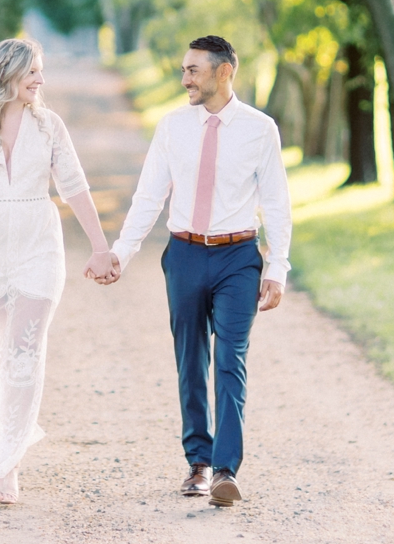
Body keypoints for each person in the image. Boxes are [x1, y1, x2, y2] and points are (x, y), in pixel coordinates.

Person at [93, 34, 291, 508]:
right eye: (184, 70)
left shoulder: (260, 129)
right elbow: (149, 195)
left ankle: (225, 470)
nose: (185, 78)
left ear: (224, 71)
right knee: (190, 359)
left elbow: (276, 203)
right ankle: (198, 463)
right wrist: (124, 250)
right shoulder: (172, 127)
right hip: (183, 253)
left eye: (193, 70)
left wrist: (277, 267)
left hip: (237, 258)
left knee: (230, 359)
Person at [0, 37, 116, 504]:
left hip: (38, 247)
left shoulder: (49, 126)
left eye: (41, 71)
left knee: (23, 358)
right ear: (6, 74)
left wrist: (100, 248)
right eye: (33, 71)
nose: (40, 79)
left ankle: (7, 464)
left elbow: (74, 187)